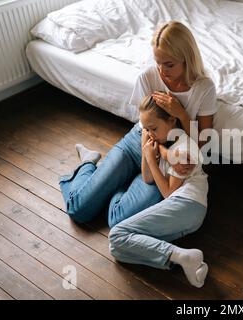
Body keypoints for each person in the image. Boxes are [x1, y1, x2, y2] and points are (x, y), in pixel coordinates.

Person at [59, 21, 217, 227]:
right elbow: (145, 128)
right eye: (158, 62)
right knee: (79, 210)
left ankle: (114, 183)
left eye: (169, 64)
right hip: (139, 141)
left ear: (187, 58)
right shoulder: (148, 76)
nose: (162, 70)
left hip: (169, 159)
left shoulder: (204, 88)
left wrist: (182, 115)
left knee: (118, 219)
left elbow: (203, 145)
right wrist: (155, 151)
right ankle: (88, 164)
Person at [109, 95, 209, 288]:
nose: (150, 134)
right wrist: (148, 149)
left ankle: (183, 256)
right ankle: (182, 258)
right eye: (146, 129)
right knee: (119, 249)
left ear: (171, 120)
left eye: (153, 128)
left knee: (117, 235)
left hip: (186, 203)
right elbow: (147, 178)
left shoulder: (183, 148)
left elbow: (168, 193)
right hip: (188, 213)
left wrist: (152, 156)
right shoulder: (165, 144)